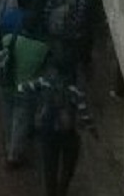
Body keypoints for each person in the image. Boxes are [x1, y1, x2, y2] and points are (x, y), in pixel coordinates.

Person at [19, 59, 96, 196]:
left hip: (47, 132)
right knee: (68, 168)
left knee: (49, 167)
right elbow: (84, 115)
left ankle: (50, 193)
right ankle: (62, 191)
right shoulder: (75, 91)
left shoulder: (45, 82)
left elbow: (22, 88)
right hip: (68, 135)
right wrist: (93, 131)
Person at [0, 9, 49, 169]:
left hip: (6, 85)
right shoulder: (43, 48)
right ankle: (14, 154)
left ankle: (8, 145)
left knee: (7, 117)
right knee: (21, 119)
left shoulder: (8, 39)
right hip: (26, 89)